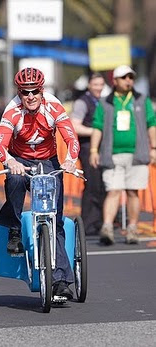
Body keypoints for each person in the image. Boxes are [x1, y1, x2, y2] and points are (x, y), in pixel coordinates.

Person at [0, 67, 80, 299]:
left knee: (55, 219)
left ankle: (60, 280)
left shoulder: (54, 107)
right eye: (24, 92)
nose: (30, 96)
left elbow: (71, 138)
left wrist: (70, 160)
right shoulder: (12, 110)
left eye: (34, 91)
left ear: (42, 91)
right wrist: (10, 161)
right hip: (20, 159)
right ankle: (13, 228)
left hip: (48, 160)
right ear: (19, 93)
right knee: (15, 179)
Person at [90, 65, 156, 245]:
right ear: (115, 81)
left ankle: (133, 228)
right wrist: (94, 150)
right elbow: (97, 127)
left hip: (137, 153)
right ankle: (107, 227)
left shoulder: (142, 100)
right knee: (113, 191)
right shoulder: (106, 102)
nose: (128, 80)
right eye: (124, 77)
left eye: (131, 77)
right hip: (111, 155)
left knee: (133, 192)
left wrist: (154, 148)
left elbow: (151, 123)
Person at [71, 72, 106, 235]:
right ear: (89, 86)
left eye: (101, 85)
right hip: (86, 149)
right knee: (91, 184)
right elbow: (75, 126)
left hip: (101, 148)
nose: (98, 88)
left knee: (102, 185)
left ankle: (101, 221)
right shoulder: (82, 102)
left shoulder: (103, 102)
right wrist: (96, 131)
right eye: (96, 84)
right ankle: (89, 223)